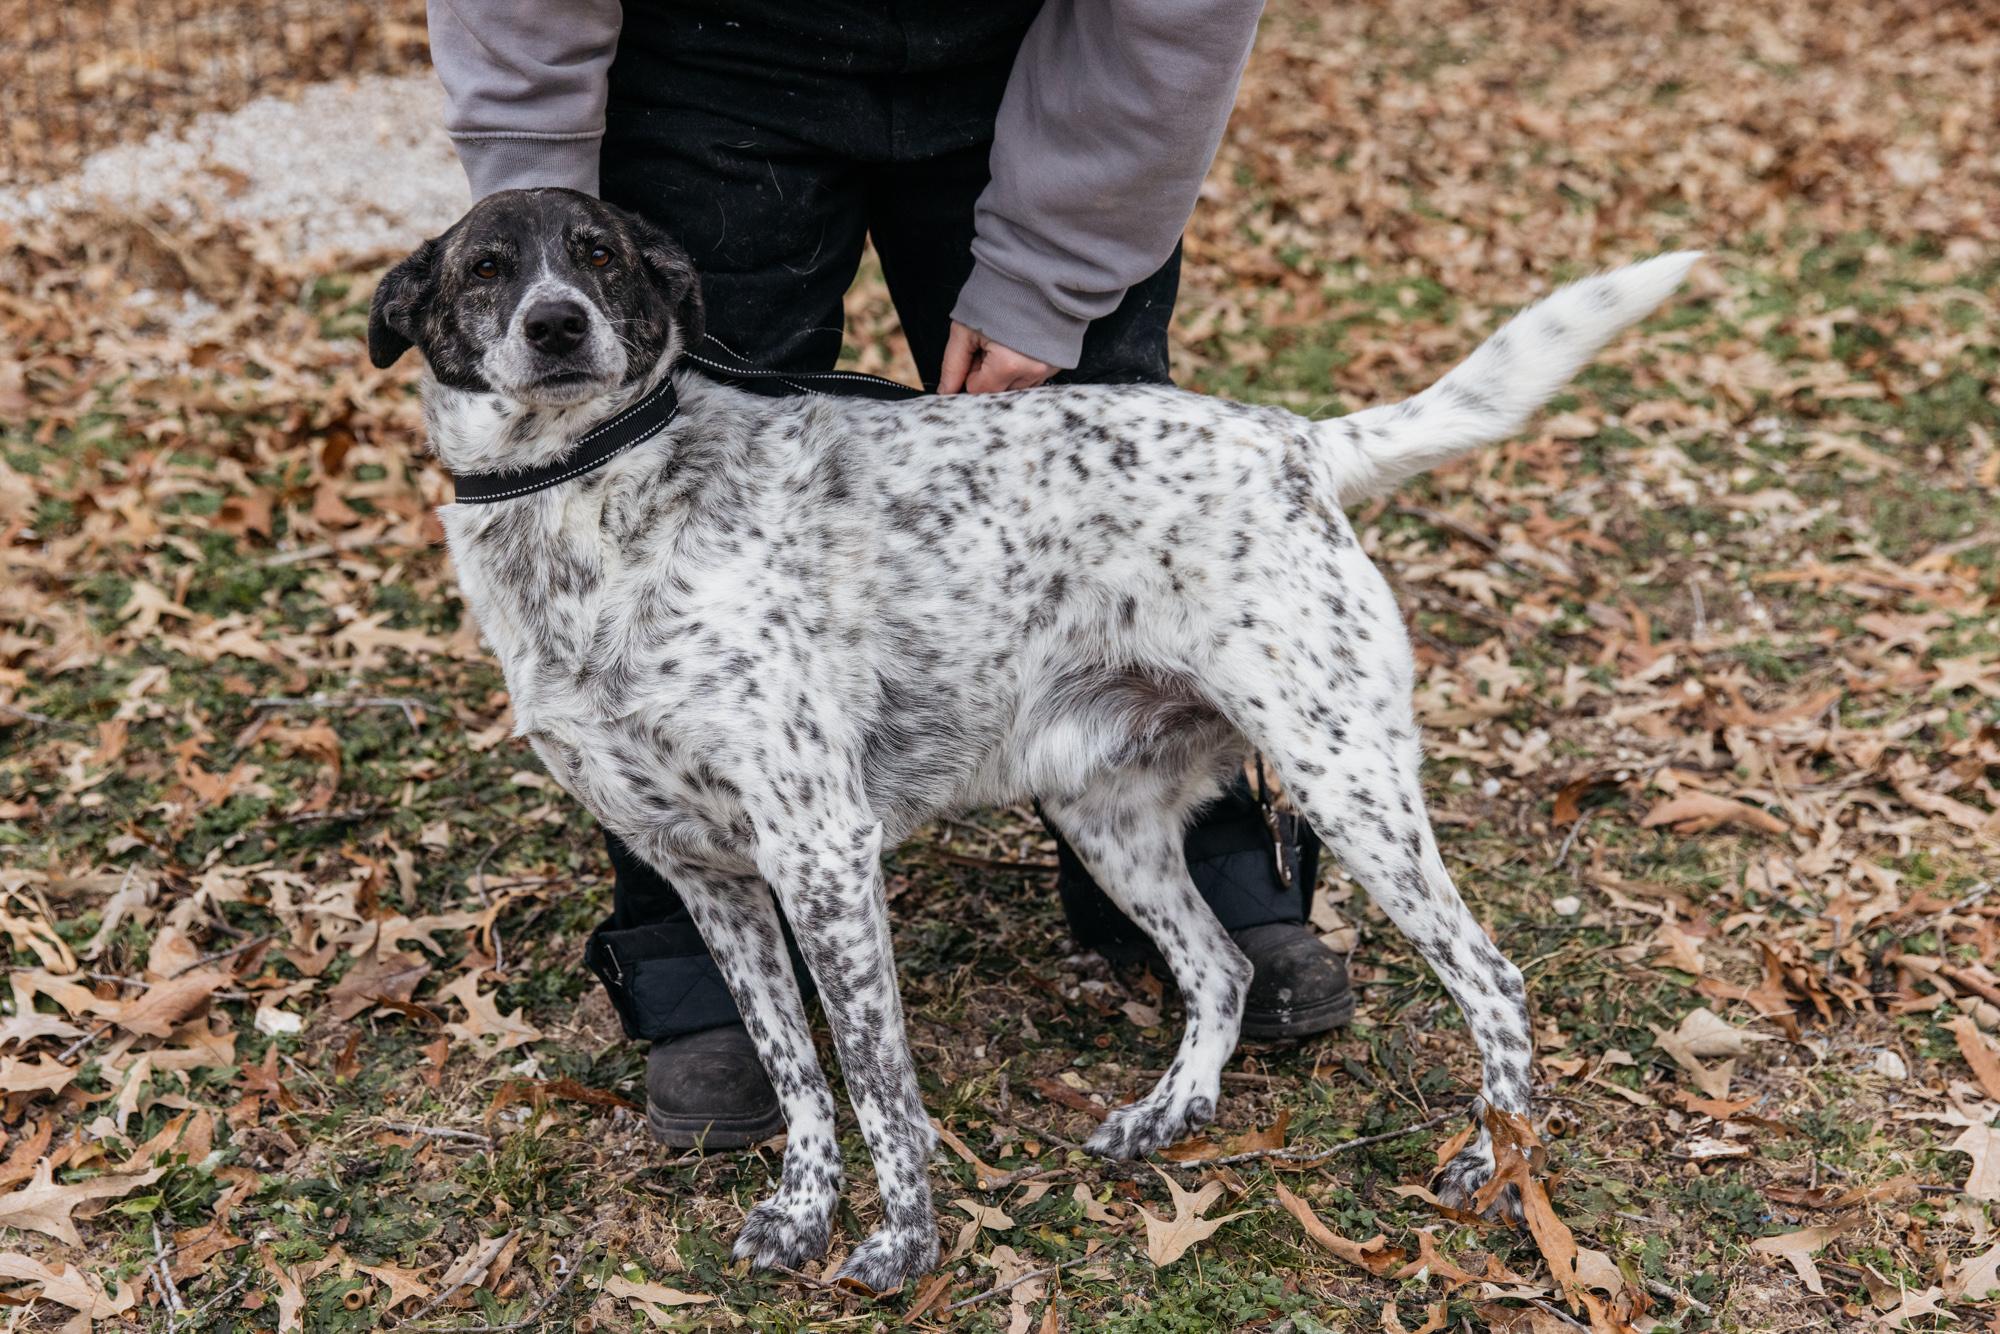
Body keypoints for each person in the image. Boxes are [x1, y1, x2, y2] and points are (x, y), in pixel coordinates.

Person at [426, 0, 1353, 1147]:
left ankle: (1200, 855)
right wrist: (539, 220)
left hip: (1039, 62)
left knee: (1093, 451)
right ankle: (690, 961)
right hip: (699, 66)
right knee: (670, 554)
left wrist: (1054, 267)